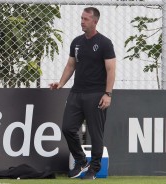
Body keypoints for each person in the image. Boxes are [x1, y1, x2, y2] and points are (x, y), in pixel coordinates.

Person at [50, 7, 116, 180]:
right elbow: (71, 65)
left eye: (86, 19)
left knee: (96, 134)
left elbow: (111, 70)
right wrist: (61, 83)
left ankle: (94, 169)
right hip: (76, 93)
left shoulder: (104, 43)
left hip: (96, 94)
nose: (82, 21)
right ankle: (81, 161)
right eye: (82, 18)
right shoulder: (77, 42)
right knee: (67, 128)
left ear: (95, 22)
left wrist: (107, 94)